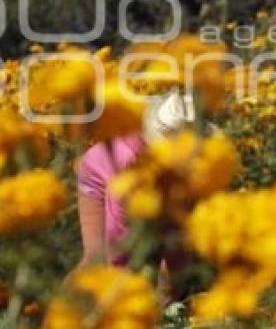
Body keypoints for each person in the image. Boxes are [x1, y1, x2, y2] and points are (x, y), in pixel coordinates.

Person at [75, 90, 198, 266]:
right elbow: (118, 233)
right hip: (96, 178)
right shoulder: (131, 164)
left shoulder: (190, 156)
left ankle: (166, 293)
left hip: (146, 187)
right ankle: (67, 294)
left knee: (177, 257)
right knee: (96, 259)